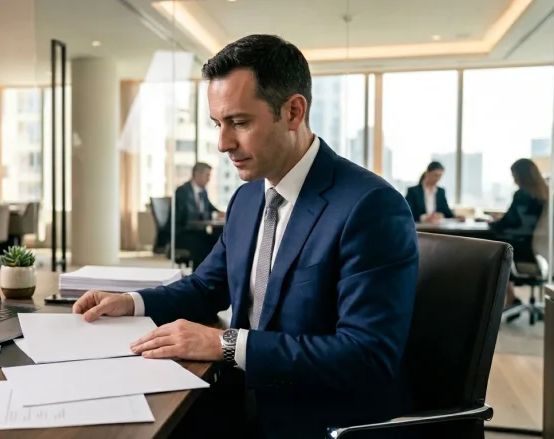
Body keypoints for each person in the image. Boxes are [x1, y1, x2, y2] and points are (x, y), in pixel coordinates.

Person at [73, 34, 418, 438]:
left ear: (292, 111)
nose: (222, 144)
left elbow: (367, 356)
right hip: (236, 399)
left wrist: (226, 344)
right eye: (218, 124)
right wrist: (131, 303)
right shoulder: (247, 198)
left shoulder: (371, 207)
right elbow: (207, 286)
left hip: (315, 420)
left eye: (239, 122)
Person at [490, 158, 547, 312]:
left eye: (513, 174)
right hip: (543, 254)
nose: (513, 178)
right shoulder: (546, 194)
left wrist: (492, 224)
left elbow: (510, 221)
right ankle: (511, 296)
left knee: (494, 249)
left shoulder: (523, 194)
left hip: (525, 252)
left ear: (521, 175)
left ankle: (507, 297)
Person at [174, 163, 223, 268]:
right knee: (203, 246)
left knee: (219, 241)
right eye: (207, 175)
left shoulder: (203, 192)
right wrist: (210, 215)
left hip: (199, 232)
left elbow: (210, 208)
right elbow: (187, 217)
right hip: (184, 233)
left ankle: (214, 278)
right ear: (197, 174)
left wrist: (221, 213)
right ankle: (198, 278)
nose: (209, 179)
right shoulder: (182, 191)